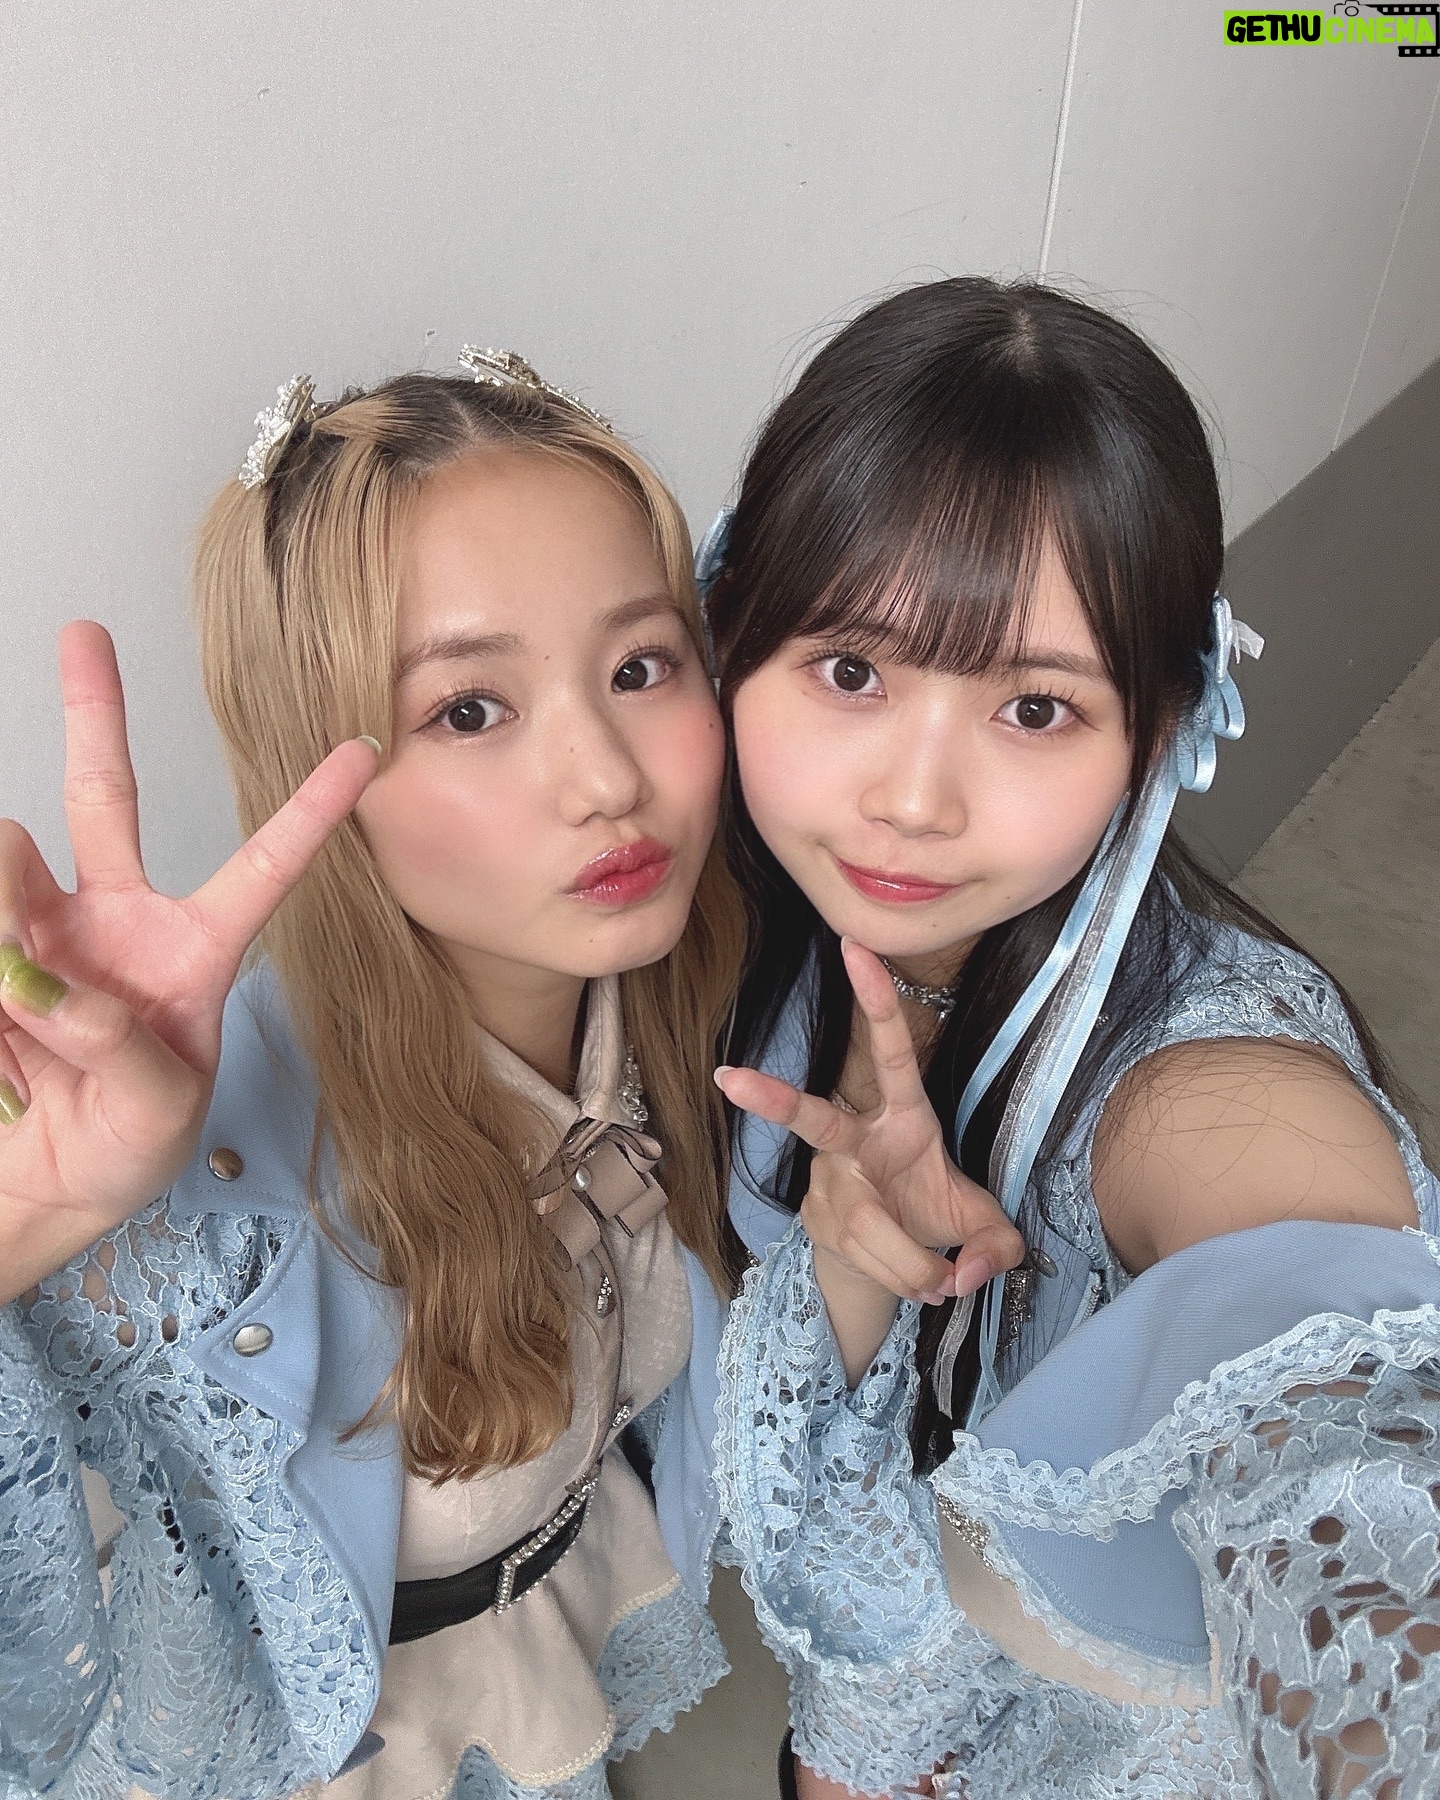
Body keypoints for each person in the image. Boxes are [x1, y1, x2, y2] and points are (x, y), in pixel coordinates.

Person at [703, 279, 1440, 1799]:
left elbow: (1347, 1443)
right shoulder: (747, 927)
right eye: (853, 672)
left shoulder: (1198, 1091)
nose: (914, 801)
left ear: (1157, 734)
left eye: (1035, 708)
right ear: (733, 641)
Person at [0, 352, 750, 1800]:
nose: (609, 776)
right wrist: (29, 1220)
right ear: (315, 769)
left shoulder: (696, 1009)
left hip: (535, 1677)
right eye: (469, 709)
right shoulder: (201, 1169)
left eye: (640, 668)